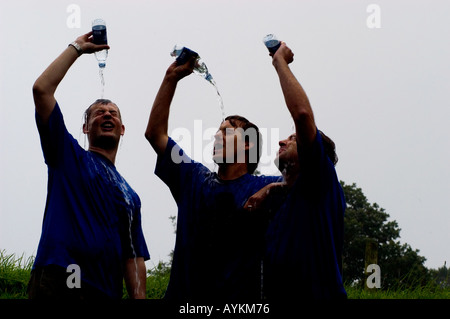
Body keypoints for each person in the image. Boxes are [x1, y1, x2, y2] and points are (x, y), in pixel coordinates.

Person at [145, 54, 281, 300]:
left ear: (248, 144)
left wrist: (272, 188)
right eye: (217, 132)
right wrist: (171, 78)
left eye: (227, 132)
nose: (217, 136)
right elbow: (155, 134)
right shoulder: (193, 178)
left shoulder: (262, 187)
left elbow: (311, 180)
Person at [28, 31, 150, 299]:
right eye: (98, 113)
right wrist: (77, 48)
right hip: (60, 278)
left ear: (122, 129)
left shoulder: (131, 196)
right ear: (85, 127)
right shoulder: (67, 154)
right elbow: (42, 90)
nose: (107, 114)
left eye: (113, 113)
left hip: (106, 291)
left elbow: (134, 257)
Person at [245, 42, 347, 300]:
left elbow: (302, 114)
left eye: (293, 139)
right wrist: (270, 188)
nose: (282, 141)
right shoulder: (287, 197)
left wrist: (280, 62)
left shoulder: (319, 180)